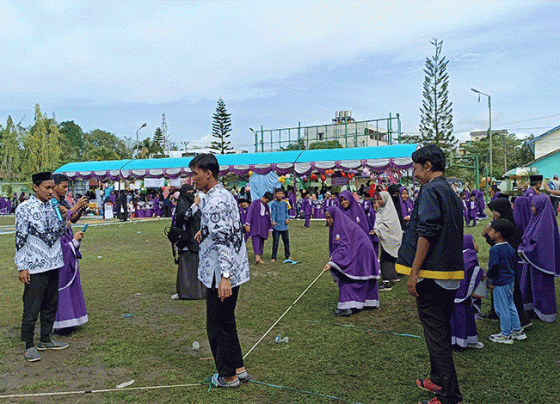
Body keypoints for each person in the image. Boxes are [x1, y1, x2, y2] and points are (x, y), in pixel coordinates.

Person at [396, 145, 464, 404]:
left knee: (436, 336)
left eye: (415, 168)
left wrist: (413, 273)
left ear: (428, 166)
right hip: (449, 274)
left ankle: (449, 395)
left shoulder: (430, 190)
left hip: (432, 275)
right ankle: (437, 379)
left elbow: (427, 231)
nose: (413, 173)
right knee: (439, 331)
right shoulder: (449, 190)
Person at [189, 154, 250, 388]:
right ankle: (238, 367)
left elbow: (223, 239)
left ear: (208, 174)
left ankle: (227, 376)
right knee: (227, 320)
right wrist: (203, 232)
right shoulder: (223, 194)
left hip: (221, 273)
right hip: (235, 268)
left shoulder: (214, 200)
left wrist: (225, 276)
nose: (193, 178)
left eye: (195, 173)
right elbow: (227, 227)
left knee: (215, 325)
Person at [15, 172, 70, 362]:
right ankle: (29, 344)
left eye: (52, 188)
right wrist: (22, 266)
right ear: (35, 187)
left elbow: (60, 233)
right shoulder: (24, 208)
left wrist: (63, 217)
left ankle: (45, 338)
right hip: (35, 265)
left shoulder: (53, 206)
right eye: (47, 188)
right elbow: (20, 238)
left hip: (54, 262)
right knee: (32, 306)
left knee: (50, 303)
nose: (50, 191)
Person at [480, 198, 530, 328]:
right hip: (503, 265)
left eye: (496, 210)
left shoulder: (508, 225)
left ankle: (518, 321)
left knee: (511, 293)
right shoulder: (502, 223)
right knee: (501, 291)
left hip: (505, 266)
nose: (493, 213)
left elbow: (505, 245)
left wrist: (489, 275)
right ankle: (497, 313)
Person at [323, 206, 380, 316]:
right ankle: (365, 301)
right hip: (359, 249)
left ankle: (346, 306)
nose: (328, 220)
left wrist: (332, 262)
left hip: (363, 250)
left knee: (346, 273)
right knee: (357, 274)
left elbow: (343, 247)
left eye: (330, 218)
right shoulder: (338, 225)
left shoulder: (341, 227)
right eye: (326, 218)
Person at [51, 174, 89, 332]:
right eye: (64, 187)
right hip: (59, 244)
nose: (66, 190)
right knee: (62, 280)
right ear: (54, 186)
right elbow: (61, 220)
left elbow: (71, 219)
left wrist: (80, 209)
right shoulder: (52, 203)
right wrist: (75, 205)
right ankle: (61, 321)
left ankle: (72, 317)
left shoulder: (62, 201)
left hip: (68, 240)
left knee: (71, 277)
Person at [518, 194, 560, 322]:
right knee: (529, 284)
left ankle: (545, 312)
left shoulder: (546, 223)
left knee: (542, 287)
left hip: (541, 262)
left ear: (540, 206)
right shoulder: (536, 219)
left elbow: (540, 245)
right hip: (531, 260)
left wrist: (525, 251)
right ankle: (531, 307)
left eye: (533, 206)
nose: (531, 208)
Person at [486, 219, 528, 343]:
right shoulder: (510, 247)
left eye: (492, 230)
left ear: (498, 234)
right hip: (510, 281)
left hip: (500, 283)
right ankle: (517, 331)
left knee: (501, 309)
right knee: (511, 306)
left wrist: (490, 280)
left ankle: (505, 335)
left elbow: (493, 267)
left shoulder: (495, 250)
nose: (490, 232)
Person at [171, 184, 206, 300]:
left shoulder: (195, 203)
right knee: (187, 269)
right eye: (188, 192)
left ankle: (199, 292)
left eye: (193, 192)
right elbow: (184, 217)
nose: (191, 194)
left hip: (197, 240)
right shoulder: (183, 205)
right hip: (186, 241)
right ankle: (186, 292)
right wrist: (195, 205)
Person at [451, 235, 484, 349]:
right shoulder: (470, 254)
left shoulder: (459, 254)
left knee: (454, 318)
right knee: (464, 318)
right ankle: (465, 341)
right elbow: (472, 271)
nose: (477, 245)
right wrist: (481, 274)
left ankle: (455, 341)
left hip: (454, 292)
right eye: (474, 242)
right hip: (463, 295)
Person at [372, 191, 403, 291]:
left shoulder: (388, 211)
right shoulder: (383, 209)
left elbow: (386, 224)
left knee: (385, 259)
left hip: (391, 238)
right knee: (390, 258)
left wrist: (377, 230)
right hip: (388, 237)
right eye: (378, 199)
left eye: (381, 199)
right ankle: (394, 276)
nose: (379, 201)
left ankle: (386, 282)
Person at [245, 192, 273, 265]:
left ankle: (259, 257)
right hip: (255, 226)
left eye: (268, 202)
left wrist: (269, 229)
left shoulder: (266, 206)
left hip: (264, 227)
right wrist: (248, 224)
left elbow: (268, 217)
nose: (267, 202)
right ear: (263, 197)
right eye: (266, 201)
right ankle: (257, 256)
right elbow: (249, 213)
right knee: (256, 241)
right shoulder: (254, 203)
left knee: (261, 242)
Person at [269, 188, 292, 263]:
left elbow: (286, 212)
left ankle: (287, 255)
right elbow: (273, 213)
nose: (279, 195)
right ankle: (273, 257)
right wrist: (273, 221)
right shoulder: (273, 204)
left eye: (281, 193)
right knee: (275, 242)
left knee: (286, 241)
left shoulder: (285, 203)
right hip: (276, 226)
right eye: (278, 193)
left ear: (283, 195)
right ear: (275, 195)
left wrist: (287, 218)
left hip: (284, 226)